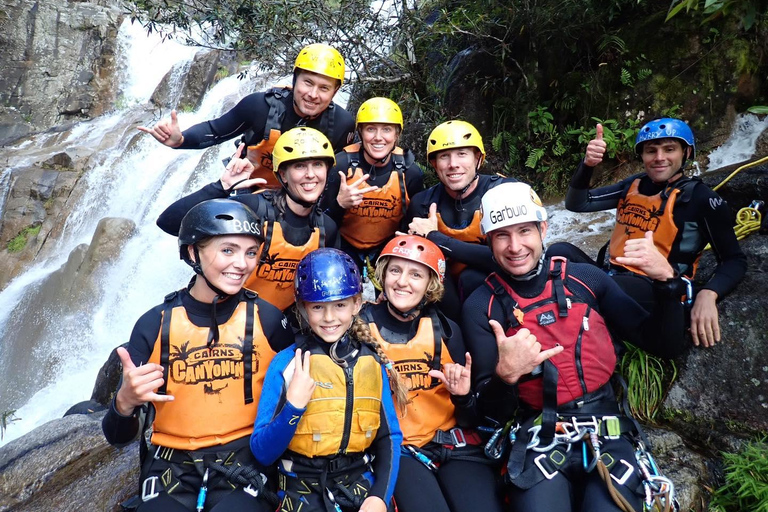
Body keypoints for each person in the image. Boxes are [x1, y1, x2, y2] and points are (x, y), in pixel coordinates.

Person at [462, 182, 687, 511]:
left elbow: (662, 345)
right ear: (489, 241)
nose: (514, 246)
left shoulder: (586, 279)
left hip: (609, 431)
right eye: (501, 236)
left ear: (543, 228)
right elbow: (487, 413)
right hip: (539, 437)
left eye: (524, 231)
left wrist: (668, 284)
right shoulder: (482, 306)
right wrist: (505, 375)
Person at [102, 199, 294, 511]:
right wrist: (124, 402)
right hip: (171, 467)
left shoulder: (270, 320)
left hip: (244, 462)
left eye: (250, 252)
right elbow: (117, 436)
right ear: (193, 252)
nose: (242, 264)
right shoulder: (154, 325)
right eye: (228, 250)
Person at [563, 118, 747, 348]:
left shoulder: (703, 199)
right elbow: (578, 203)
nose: (659, 157)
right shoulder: (634, 185)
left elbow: (734, 260)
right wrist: (587, 165)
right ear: (642, 156)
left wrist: (709, 293)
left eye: (669, 149)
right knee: (559, 251)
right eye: (651, 151)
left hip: (658, 289)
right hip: (612, 276)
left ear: (686, 152)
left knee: (599, 286)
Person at [249, 248, 407, 512]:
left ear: (357, 304)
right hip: (302, 490)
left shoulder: (372, 361)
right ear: (302, 308)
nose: (330, 317)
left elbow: (389, 437)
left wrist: (379, 496)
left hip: (360, 487)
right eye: (318, 307)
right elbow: (262, 452)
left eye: (340, 305)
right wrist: (294, 407)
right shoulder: (287, 364)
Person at [362, 235, 504, 512]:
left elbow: (470, 418)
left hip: (453, 445)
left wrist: (463, 397)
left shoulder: (448, 330)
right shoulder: (361, 329)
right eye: (395, 270)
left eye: (416, 274)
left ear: (431, 284)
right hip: (399, 452)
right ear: (382, 275)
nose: (402, 282)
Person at [157, 127, 339, 315]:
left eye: (317, 164)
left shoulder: (327, 228)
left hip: (275, 327)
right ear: (283, 174)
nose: (310, 174)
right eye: (299, 166)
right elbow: (169, 223)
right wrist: (221, 187)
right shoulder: (251, 209)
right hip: (223, 317)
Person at [138, 43, 355, 188]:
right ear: (295, 79)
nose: (313, 95)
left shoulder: (342, 125)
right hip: (247, 192)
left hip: (302, 206)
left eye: (324, 88)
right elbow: (215, 130)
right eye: (307, 83)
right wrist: (181, 140)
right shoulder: (260, 107)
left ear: (335, 92)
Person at [406, 120, 517, 316]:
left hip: (499, 289)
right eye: (444, 156)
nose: (453, 164)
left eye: (462, 154)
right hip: (446, 295)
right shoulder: (422, 203)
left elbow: (509, 258)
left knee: (470, 277)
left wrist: (434, 237)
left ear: (478, 158)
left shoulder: (503, 193)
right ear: (434, 163)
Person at [321, 98, 424, 272]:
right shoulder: (341, 165)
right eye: (370, 129)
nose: (378, 138)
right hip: (344, 242)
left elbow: (411, 224)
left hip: (388, 244)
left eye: (386, 130)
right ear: (360, 133)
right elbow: (322, 223)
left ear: (397, 135)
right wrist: (339, 204)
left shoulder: (410, 172)